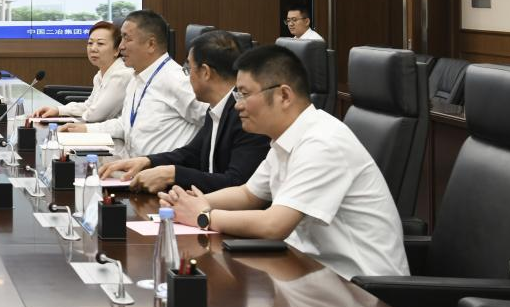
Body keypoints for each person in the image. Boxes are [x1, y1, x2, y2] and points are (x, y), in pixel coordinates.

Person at [160, 45, 408, 279]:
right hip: (311, 273)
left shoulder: (323, 142)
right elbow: (248, 194)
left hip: (361, 289)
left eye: (244, 94)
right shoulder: (285, 139)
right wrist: (192, 203)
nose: (238, 105)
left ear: (284, 95)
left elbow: (274, 224)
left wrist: (203, 215)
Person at [99, 30, 270, 193]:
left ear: (205, 72)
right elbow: (192, 154)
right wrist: (147, 161)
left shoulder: (246, 114)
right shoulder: (218, 107)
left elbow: (237, 183)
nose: (187, 77)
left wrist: (172, 175)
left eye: (189, 69)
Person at [62, 9, 205, 157]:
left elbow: (212, 120)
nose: (121, 46)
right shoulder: (136, 78)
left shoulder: (176, 80)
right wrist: (85, 129)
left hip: (158, 169)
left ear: (151, 44)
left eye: (127, 39)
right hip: (129, 163)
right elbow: (125, 124)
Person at [32, 20, 128, 123]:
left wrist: (74, 119)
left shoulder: (121, 74)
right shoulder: (99, 75)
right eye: (90, 43)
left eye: (100, 43)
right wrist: (58, 110)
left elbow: (96, 115)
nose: (93, 48)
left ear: (117, 50)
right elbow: (89, 106)